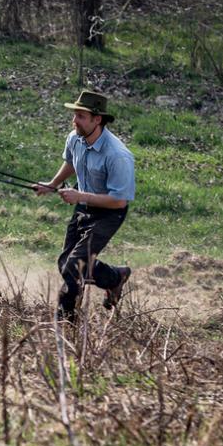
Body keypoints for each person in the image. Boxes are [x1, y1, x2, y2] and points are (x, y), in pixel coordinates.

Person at [34, 89, 135, 320]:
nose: (74, 120)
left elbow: (119, 200)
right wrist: (52, 185)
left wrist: (80, 196)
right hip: (84, 207)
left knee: (73, 267)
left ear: (97, 119)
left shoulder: (118, 155)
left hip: (110, 212)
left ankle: (65, 323)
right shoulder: (75, 138)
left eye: (80, 116)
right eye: (75, 115)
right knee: (65, 263)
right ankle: (115, 277)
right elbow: (71, 162)